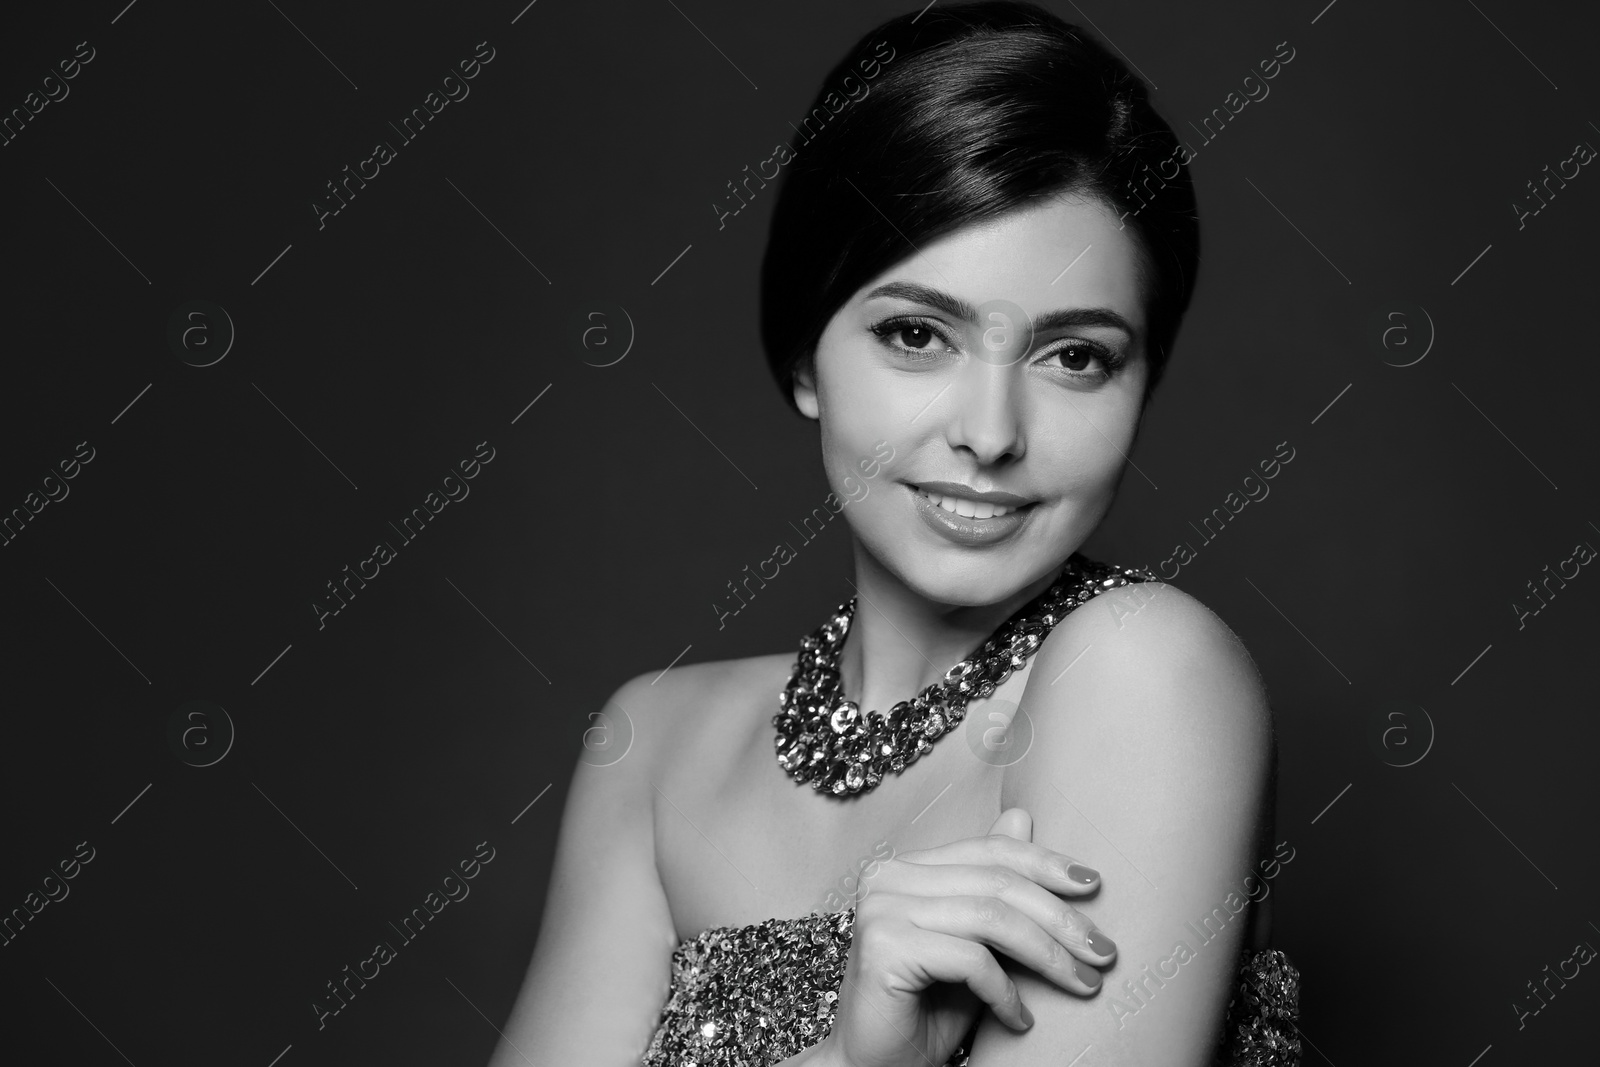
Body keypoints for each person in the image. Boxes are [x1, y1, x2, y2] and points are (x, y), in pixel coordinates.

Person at [491, 3, 1299, 1064]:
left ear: (1142, 381)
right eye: (917, 334)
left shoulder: (1145, 671)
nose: (990, 433)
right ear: (801, 357)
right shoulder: (653, 746)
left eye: (1076, 357)